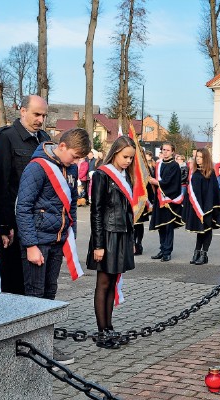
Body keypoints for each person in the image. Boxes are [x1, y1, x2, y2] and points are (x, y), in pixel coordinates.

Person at [16, 127, 90, 364]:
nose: (77, 162)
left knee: (49, 293)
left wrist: (72, 234)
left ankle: (45, 344)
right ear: (62, 146)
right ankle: (35, 347)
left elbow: (71, 206)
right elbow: (23, 207)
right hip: (38, 241)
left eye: (80, 159)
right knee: (35, 295)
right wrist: (30, 245)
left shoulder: (71, 168)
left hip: (57, 240)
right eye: (75, 156)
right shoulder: (36, 168)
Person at [0, 94, 51, 294]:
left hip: (41, 225)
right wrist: (4, 224)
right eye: (36, 114)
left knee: (38, 282)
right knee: (14, 280)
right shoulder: (5, 137)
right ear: (23, 111)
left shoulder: (45, 140)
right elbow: (0, 184)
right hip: (15, 224)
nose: (40, 120)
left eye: (44, 116)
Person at [87, 136, 136, 349]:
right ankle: (102, 331)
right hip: (106, 235)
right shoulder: (102, 175)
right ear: (115, 152)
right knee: (104, 283)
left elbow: (128, 211)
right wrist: (98, 245)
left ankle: (109, 327)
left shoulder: (127, 177)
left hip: (122, 235)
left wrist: (132, 239)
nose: (128, 161)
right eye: (125, 157)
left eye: (131, 158)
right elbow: (96, 211)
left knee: (113, 282)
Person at [183, 148, 220, 265]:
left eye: (200, 157)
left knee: (206, 229)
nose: (198, 159)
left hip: (207, 206)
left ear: (205, 158)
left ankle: (204, 254)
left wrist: (209, 207)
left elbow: (213, 191)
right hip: (197, 207)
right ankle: (197, 252)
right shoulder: (194, 172)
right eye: (197, 157)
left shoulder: (210, 172)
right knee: (199, 230)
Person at [149, 142, 184, 262]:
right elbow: (155, 180)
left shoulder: (174, 166)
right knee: (161, 226)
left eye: (168, 150)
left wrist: (156, 182)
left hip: (169, 200)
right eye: (163, 150)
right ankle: (162, 248)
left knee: (168, 226)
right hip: (159, 199)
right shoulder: (159, 164)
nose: (165, 152)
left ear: (172, 152)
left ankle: (167, 251)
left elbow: (170, 182)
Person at [134, 150, 155, 255]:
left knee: (138, 223)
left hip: (142, 199)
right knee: (132, 224)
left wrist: (151, 201)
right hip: (132, 199)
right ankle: (132, 244)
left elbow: (149, 186)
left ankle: (139, 243)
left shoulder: (145, 168)